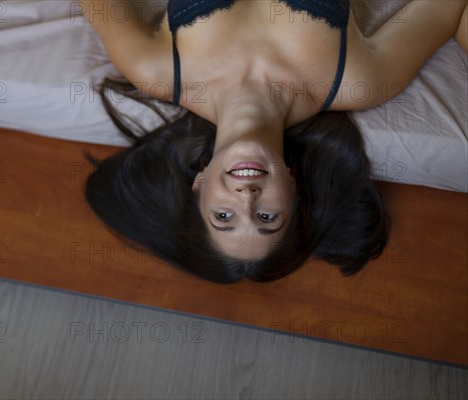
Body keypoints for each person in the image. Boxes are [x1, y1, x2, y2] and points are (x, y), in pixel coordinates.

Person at [81, 0, 468, 283]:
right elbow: (444, 10)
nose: (247, 198)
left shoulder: (157, 71)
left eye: (224, 216)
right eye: (267, 218)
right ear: (294, 190)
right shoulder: (355, 81)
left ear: (199, 185)